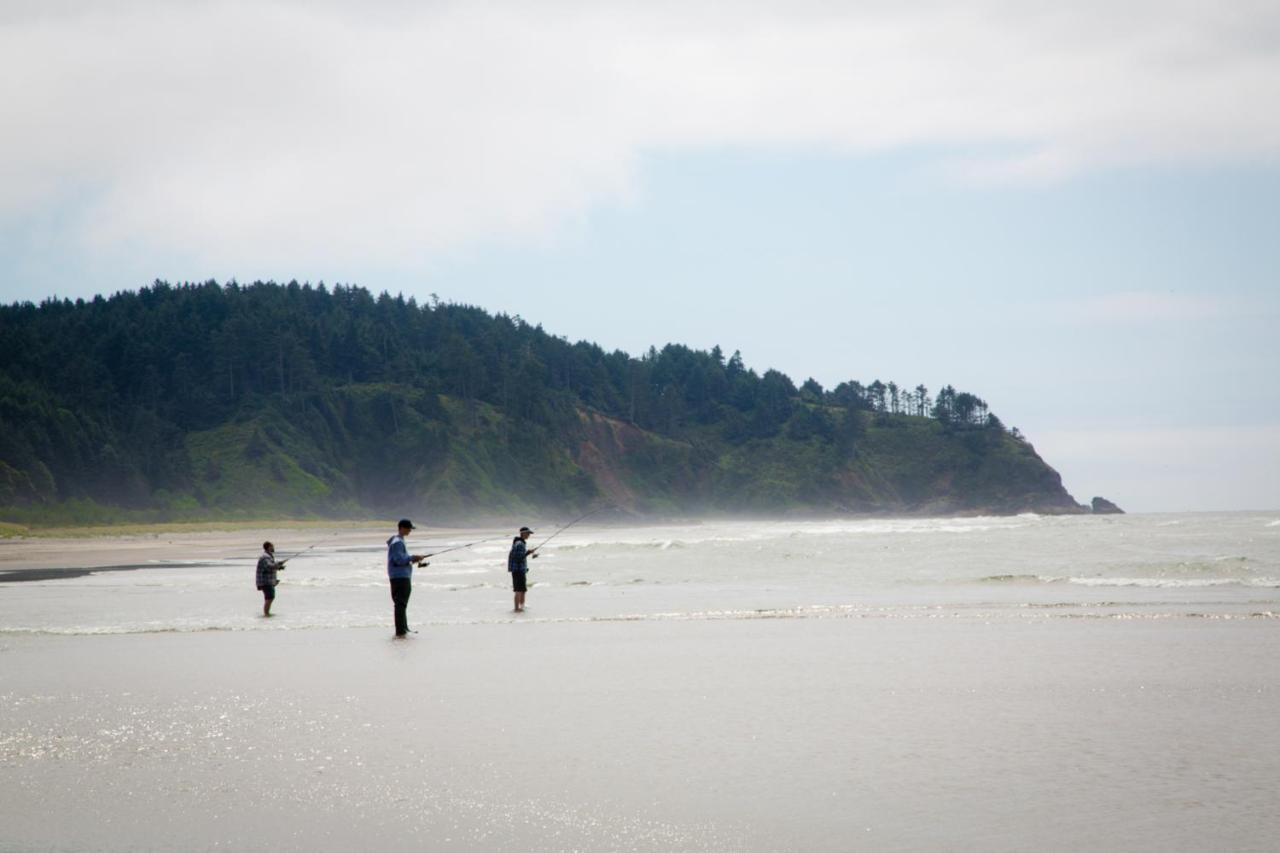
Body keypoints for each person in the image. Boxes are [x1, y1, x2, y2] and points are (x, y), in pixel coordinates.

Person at [387, 518, 427, 637]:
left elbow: (399, 560)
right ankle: (400, 631)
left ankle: (403, 628)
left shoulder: (397, 540)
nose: (410, 531)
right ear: (402, 528)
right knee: (401, 604)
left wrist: (413, 560)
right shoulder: (398, 542)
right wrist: (412, 557)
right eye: (409, 528)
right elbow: (398, 560)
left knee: (401, 604)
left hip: (398, 576)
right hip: (400, 577)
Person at [508, 526, 538, 612]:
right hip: (518, 570)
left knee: (522, 590)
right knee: (519, 590)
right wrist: (528, 552)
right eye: (528, 533)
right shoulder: (520, 544)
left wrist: (528, 552)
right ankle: (517, 608)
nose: (529, 535)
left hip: (518, 570)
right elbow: (519, 558)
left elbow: (518, 556)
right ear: (523, 533)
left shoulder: (518, 543)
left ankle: (521, 607)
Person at [256, 541, 286, 617]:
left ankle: (267, 614)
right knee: (269, 597)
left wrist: (279, 567)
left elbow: (269, 567)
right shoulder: (265, 557)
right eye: (272, 546)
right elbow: (270, 566)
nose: (273, 548)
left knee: (270, 597)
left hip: (268, 581)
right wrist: (278, 564)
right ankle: (266, 614)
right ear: (269, 547)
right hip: (265, 581)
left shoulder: (268, 556)